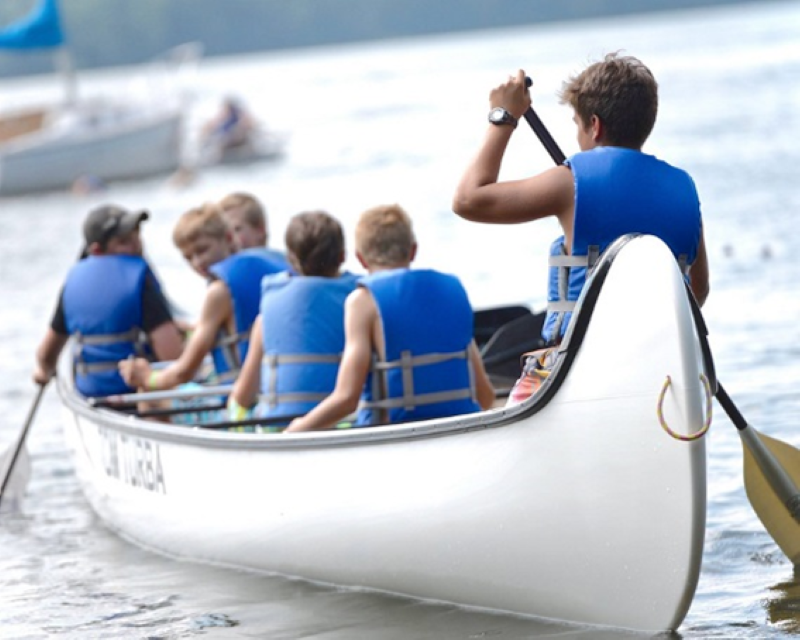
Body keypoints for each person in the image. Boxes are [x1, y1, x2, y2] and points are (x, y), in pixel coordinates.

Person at [451, 53, 710, 403]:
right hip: (660, 376)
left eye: (576, 124)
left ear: (595, 125)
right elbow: (698, 290)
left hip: (579, 373)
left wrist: (504, 116)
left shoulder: (569, 182)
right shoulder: (685, 188)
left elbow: (468, 199)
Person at [285, 204, 495, 432]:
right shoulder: (453, 291)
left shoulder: (362, 301)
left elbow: (347, 398)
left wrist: (296, 429)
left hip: (394, 434)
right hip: (456, 429)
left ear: (361, 259)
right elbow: (485, 396)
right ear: (413, 250)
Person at [119, 202, 287, 393]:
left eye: (202, 250)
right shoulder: (273, 264)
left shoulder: (218, 291)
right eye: (188, 257)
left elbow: (183, 373)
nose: (198, 262)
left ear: (229, 238)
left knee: (150, 394)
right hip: (280, 390)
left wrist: (148, 377)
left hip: (245, 406)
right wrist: (192, 329)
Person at [33, 205, 184, 397]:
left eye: (136, 236)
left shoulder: (73, 281)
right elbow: (171, 355)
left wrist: (43, 371)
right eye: (125, 241)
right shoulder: (140, 278)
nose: (137, 246)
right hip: (140, 395)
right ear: (97, 249)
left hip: (92, 394)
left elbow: (46, 355)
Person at [227, 210, 360, 427]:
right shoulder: (359, 303)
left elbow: (244, 396)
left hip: (279, 426)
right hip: (343, 424)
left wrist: (234, 407)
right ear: (343, 256)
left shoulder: (266, 317)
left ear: (290, 259)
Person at [218, 191, 289, 268]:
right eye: (223, 234)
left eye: (237, 230)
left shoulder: (288, 269)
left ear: (260, 230)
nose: (229, 239)